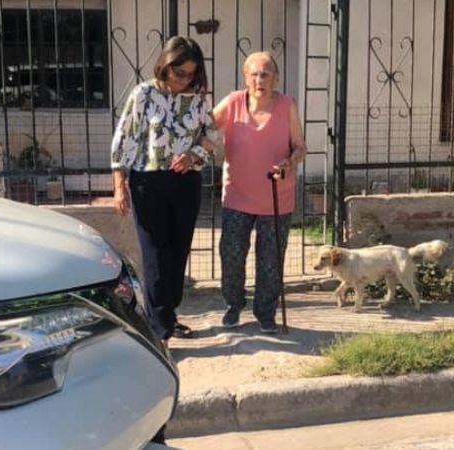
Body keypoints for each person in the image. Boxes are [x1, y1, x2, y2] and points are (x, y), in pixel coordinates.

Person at [110, 36, 217, 344]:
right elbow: (124, 139)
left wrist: (194, 154)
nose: (184, 80)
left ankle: (166, 317)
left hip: (186, 184)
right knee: (155, 254)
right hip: (149, 183)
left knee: (178, 252)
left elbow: (212, 134)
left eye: (190, 74)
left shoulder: (198, 98)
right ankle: (160, 330)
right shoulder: (143, 94)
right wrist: (120, 185)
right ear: (165, 65)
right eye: (178, 72)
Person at [207, 51, 307, 334]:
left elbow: (301, 146)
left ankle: (265, 312)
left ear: (275, 78)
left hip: (277, 197)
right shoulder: (233, 102)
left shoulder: (287, 105)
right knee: (231, 253)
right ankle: (234, 304)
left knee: (271, 260)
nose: (259, 79)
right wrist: (208, 146)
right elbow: (204, 126)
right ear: (245, 77)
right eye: (254, 74)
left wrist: (290, 161)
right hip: (237, 194)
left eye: (265, 74)